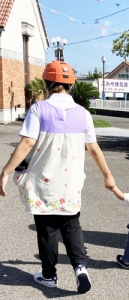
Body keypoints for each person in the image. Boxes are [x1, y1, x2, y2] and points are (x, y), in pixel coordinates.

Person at [0, 60, 115, 293]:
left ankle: (49, 276)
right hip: (70, 184)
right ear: (71, 84)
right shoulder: (83, 114)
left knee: (48, 230)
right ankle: (80, 268)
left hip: (44, 184)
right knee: (72, 226)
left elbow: (28, 142)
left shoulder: (39, 109)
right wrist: (107, 175)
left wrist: (5, 171)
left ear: (46, 83)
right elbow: (93, 148)